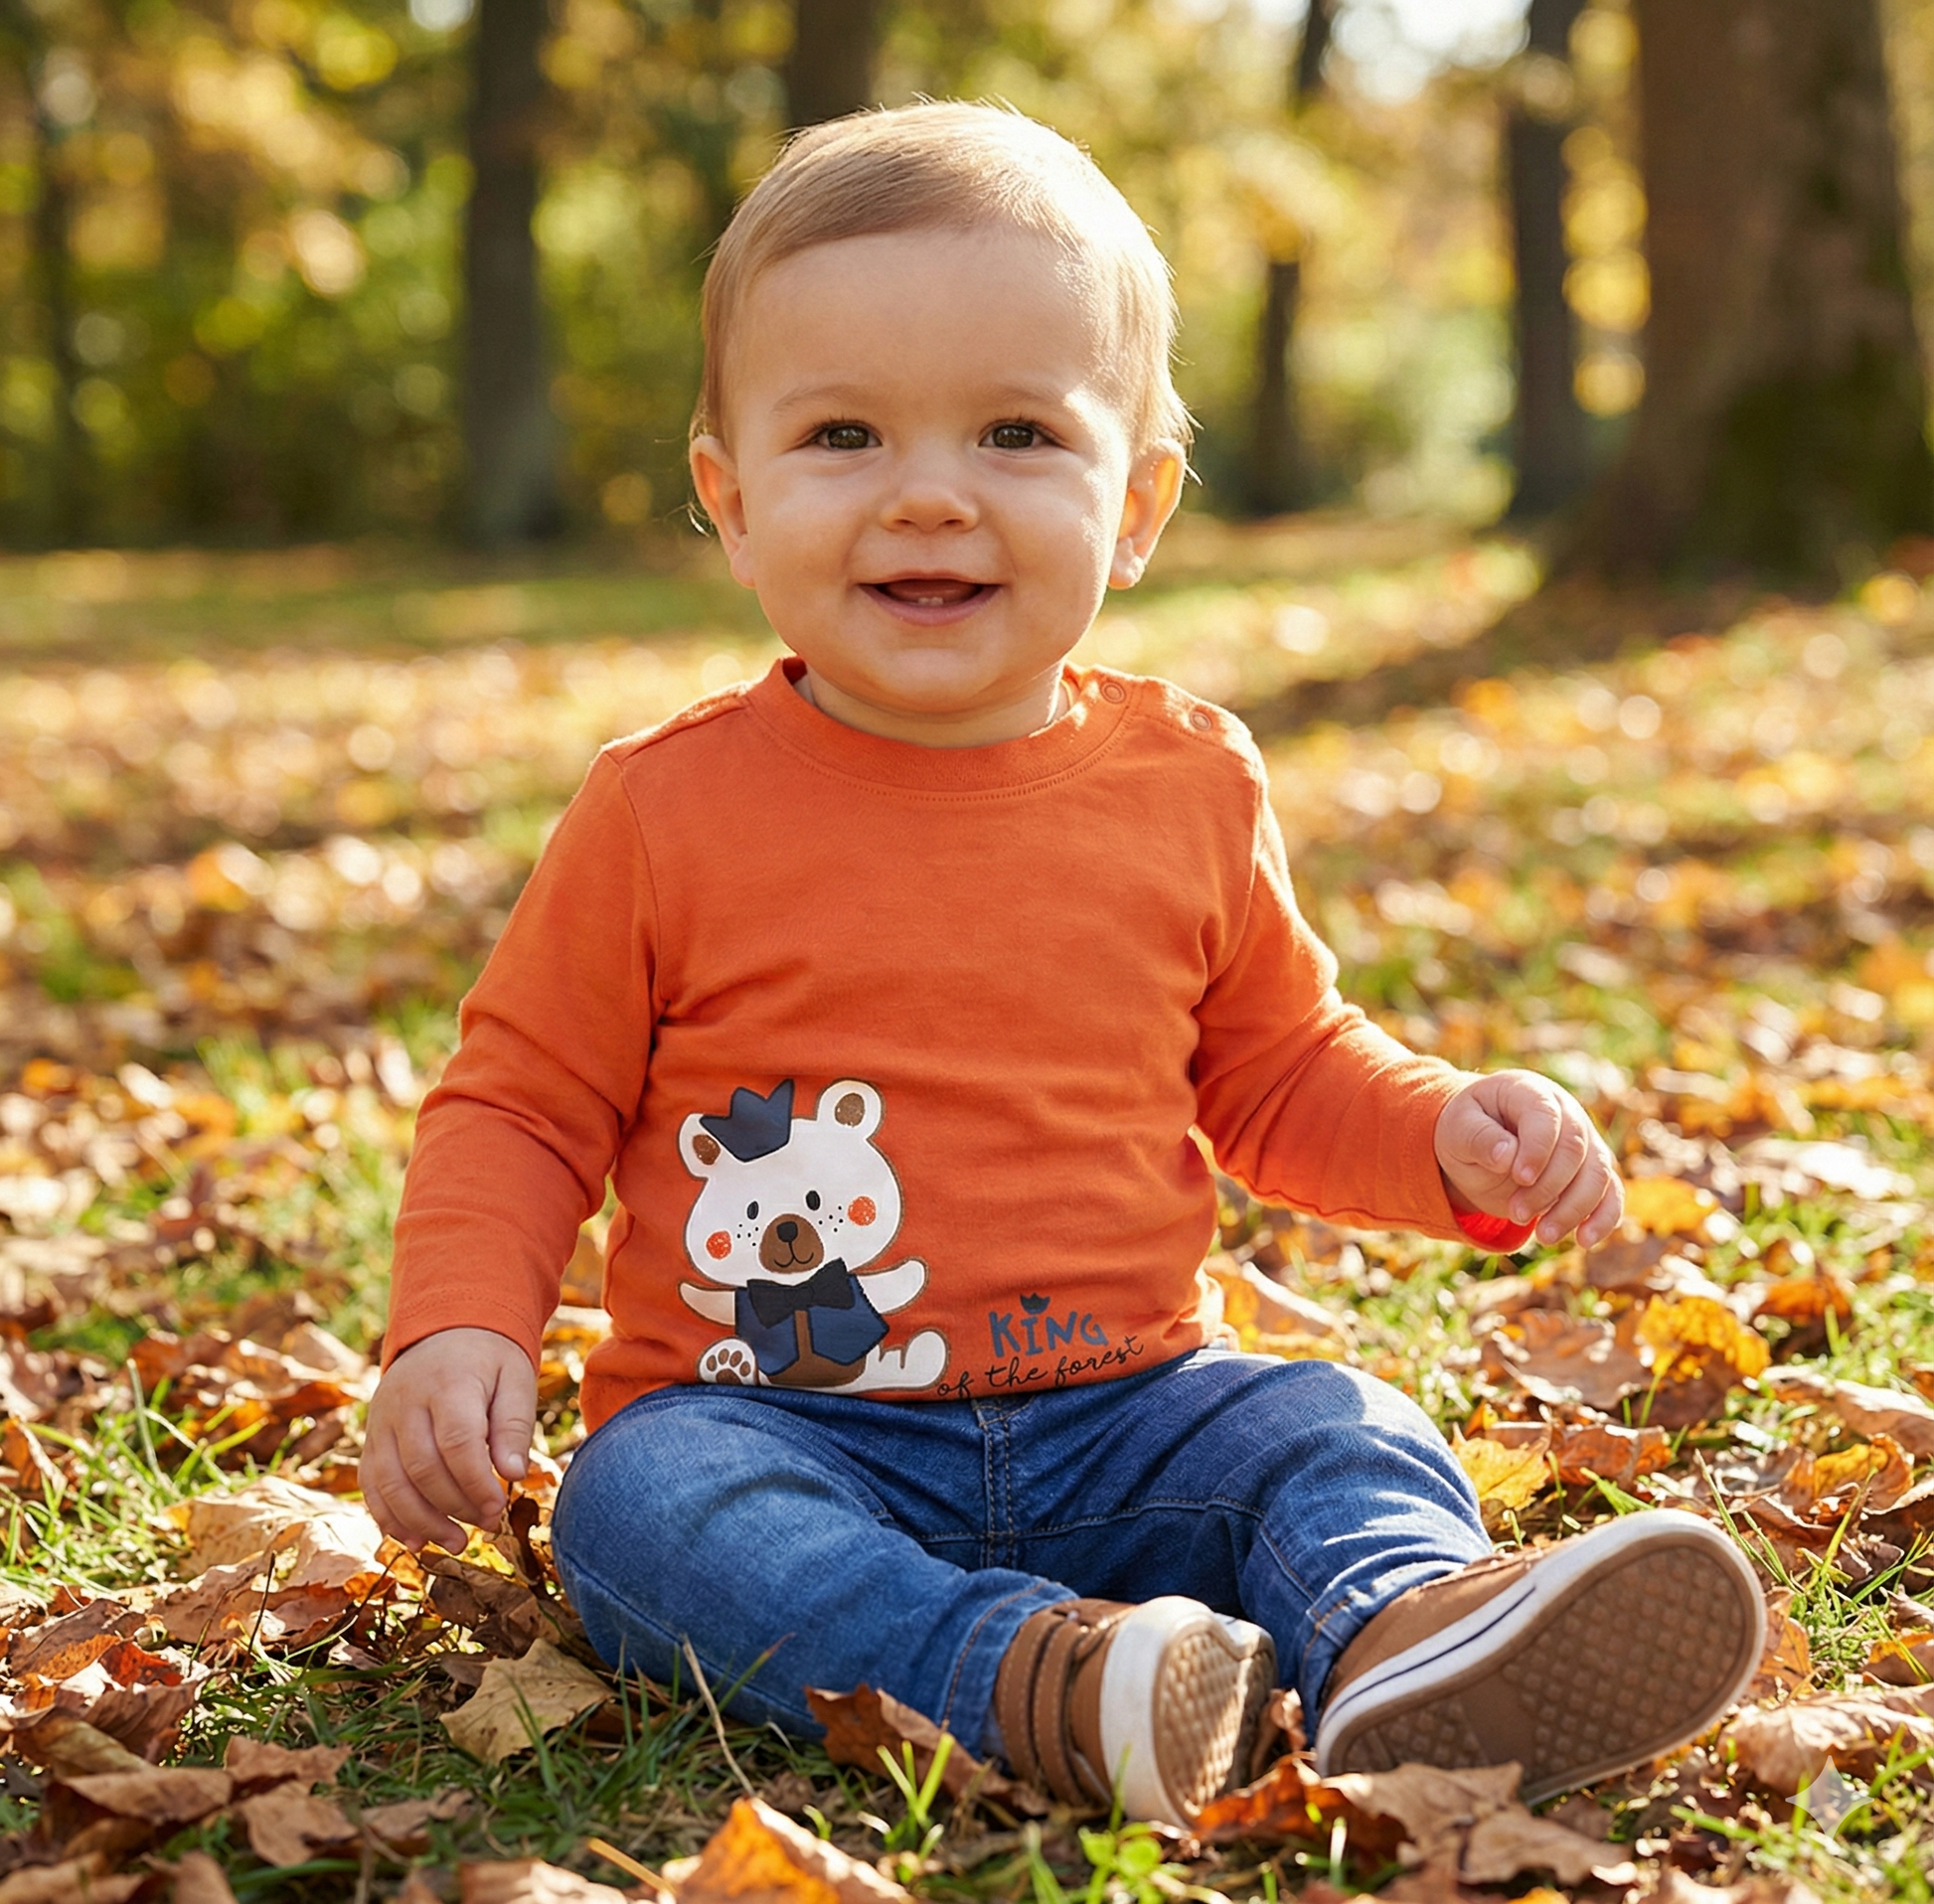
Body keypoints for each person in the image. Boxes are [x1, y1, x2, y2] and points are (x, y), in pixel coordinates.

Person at [361, 102, 1765, 1826]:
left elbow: (1273, 1067)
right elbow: (520, 1102)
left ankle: (1401, 1633)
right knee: (637, 1514)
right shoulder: (663, 812)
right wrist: (454, 1325)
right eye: (844, 434)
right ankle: (1036, 1677)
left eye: (1017, 432)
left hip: (1132, 1418)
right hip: (778, 1428)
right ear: (731, 503)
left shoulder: (1187, 779)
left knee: (1331, 1424)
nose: (931, 492)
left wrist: (1439, 1135)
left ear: (1137, 506)